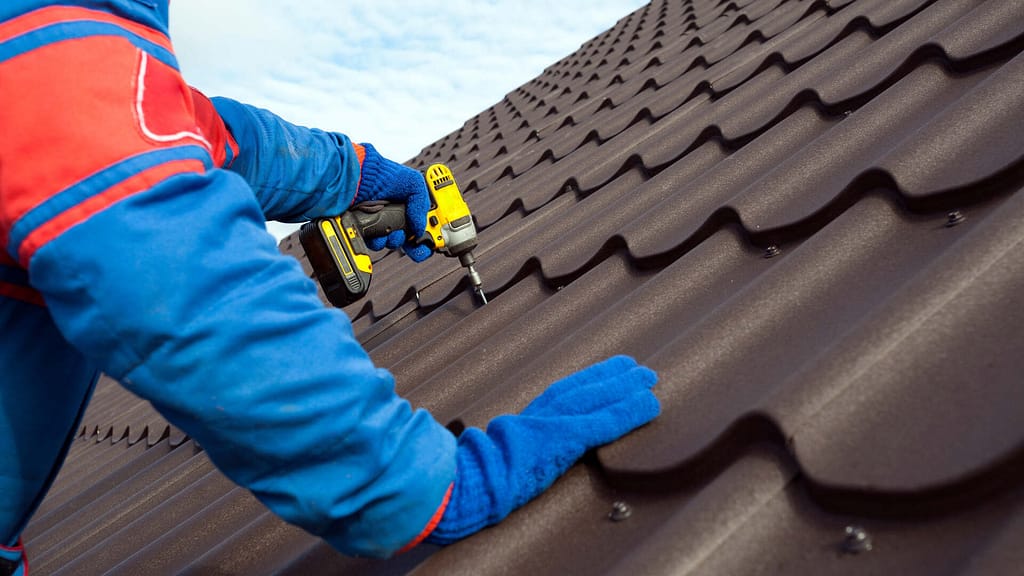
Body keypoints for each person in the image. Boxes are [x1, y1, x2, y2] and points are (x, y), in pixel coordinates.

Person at [0, 1, 661, 571]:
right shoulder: (48, 55)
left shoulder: (58, 36)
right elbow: (178, 277)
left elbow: (198, 130)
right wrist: (416, 486)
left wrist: (355, 176)